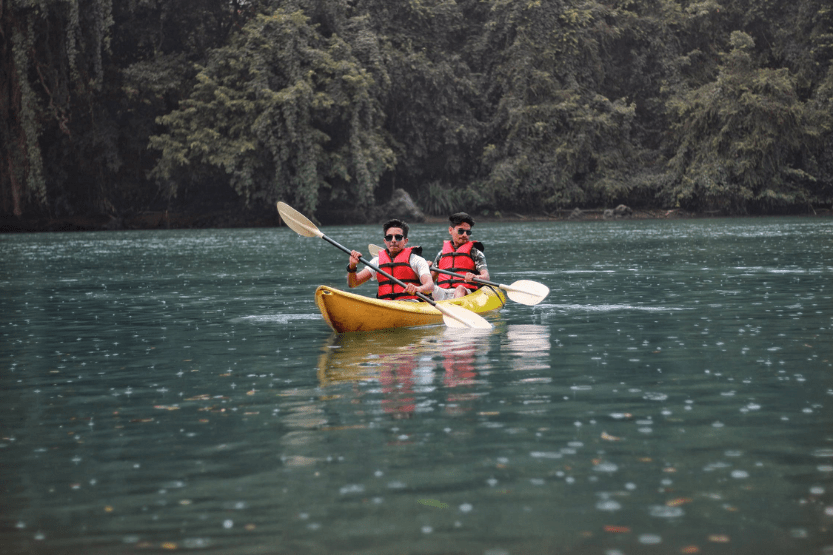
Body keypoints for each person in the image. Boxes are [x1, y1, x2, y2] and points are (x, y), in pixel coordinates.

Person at [346, 219, 434, 300]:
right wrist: (352, 266)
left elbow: (430, 286)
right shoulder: (377, 261)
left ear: (405, 241)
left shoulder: (416, 260)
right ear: (385, 241)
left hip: (412, 305)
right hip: (386, 306)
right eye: (389, 237)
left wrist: (418, 288)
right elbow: (353, 283)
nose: (393, 240)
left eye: (398, 237)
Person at [430, 212, 489, 300]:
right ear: (450, 230)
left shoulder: (475, 253)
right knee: (430, 289)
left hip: (465, 292)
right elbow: (430, 279)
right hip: (443, 291)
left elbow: (486, 277)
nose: (465, 235)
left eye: (468, 232)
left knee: (460, 289)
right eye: (461, 231)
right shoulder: (441, 254)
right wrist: (426, 269)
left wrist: (475, 277)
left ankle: (456, 307)